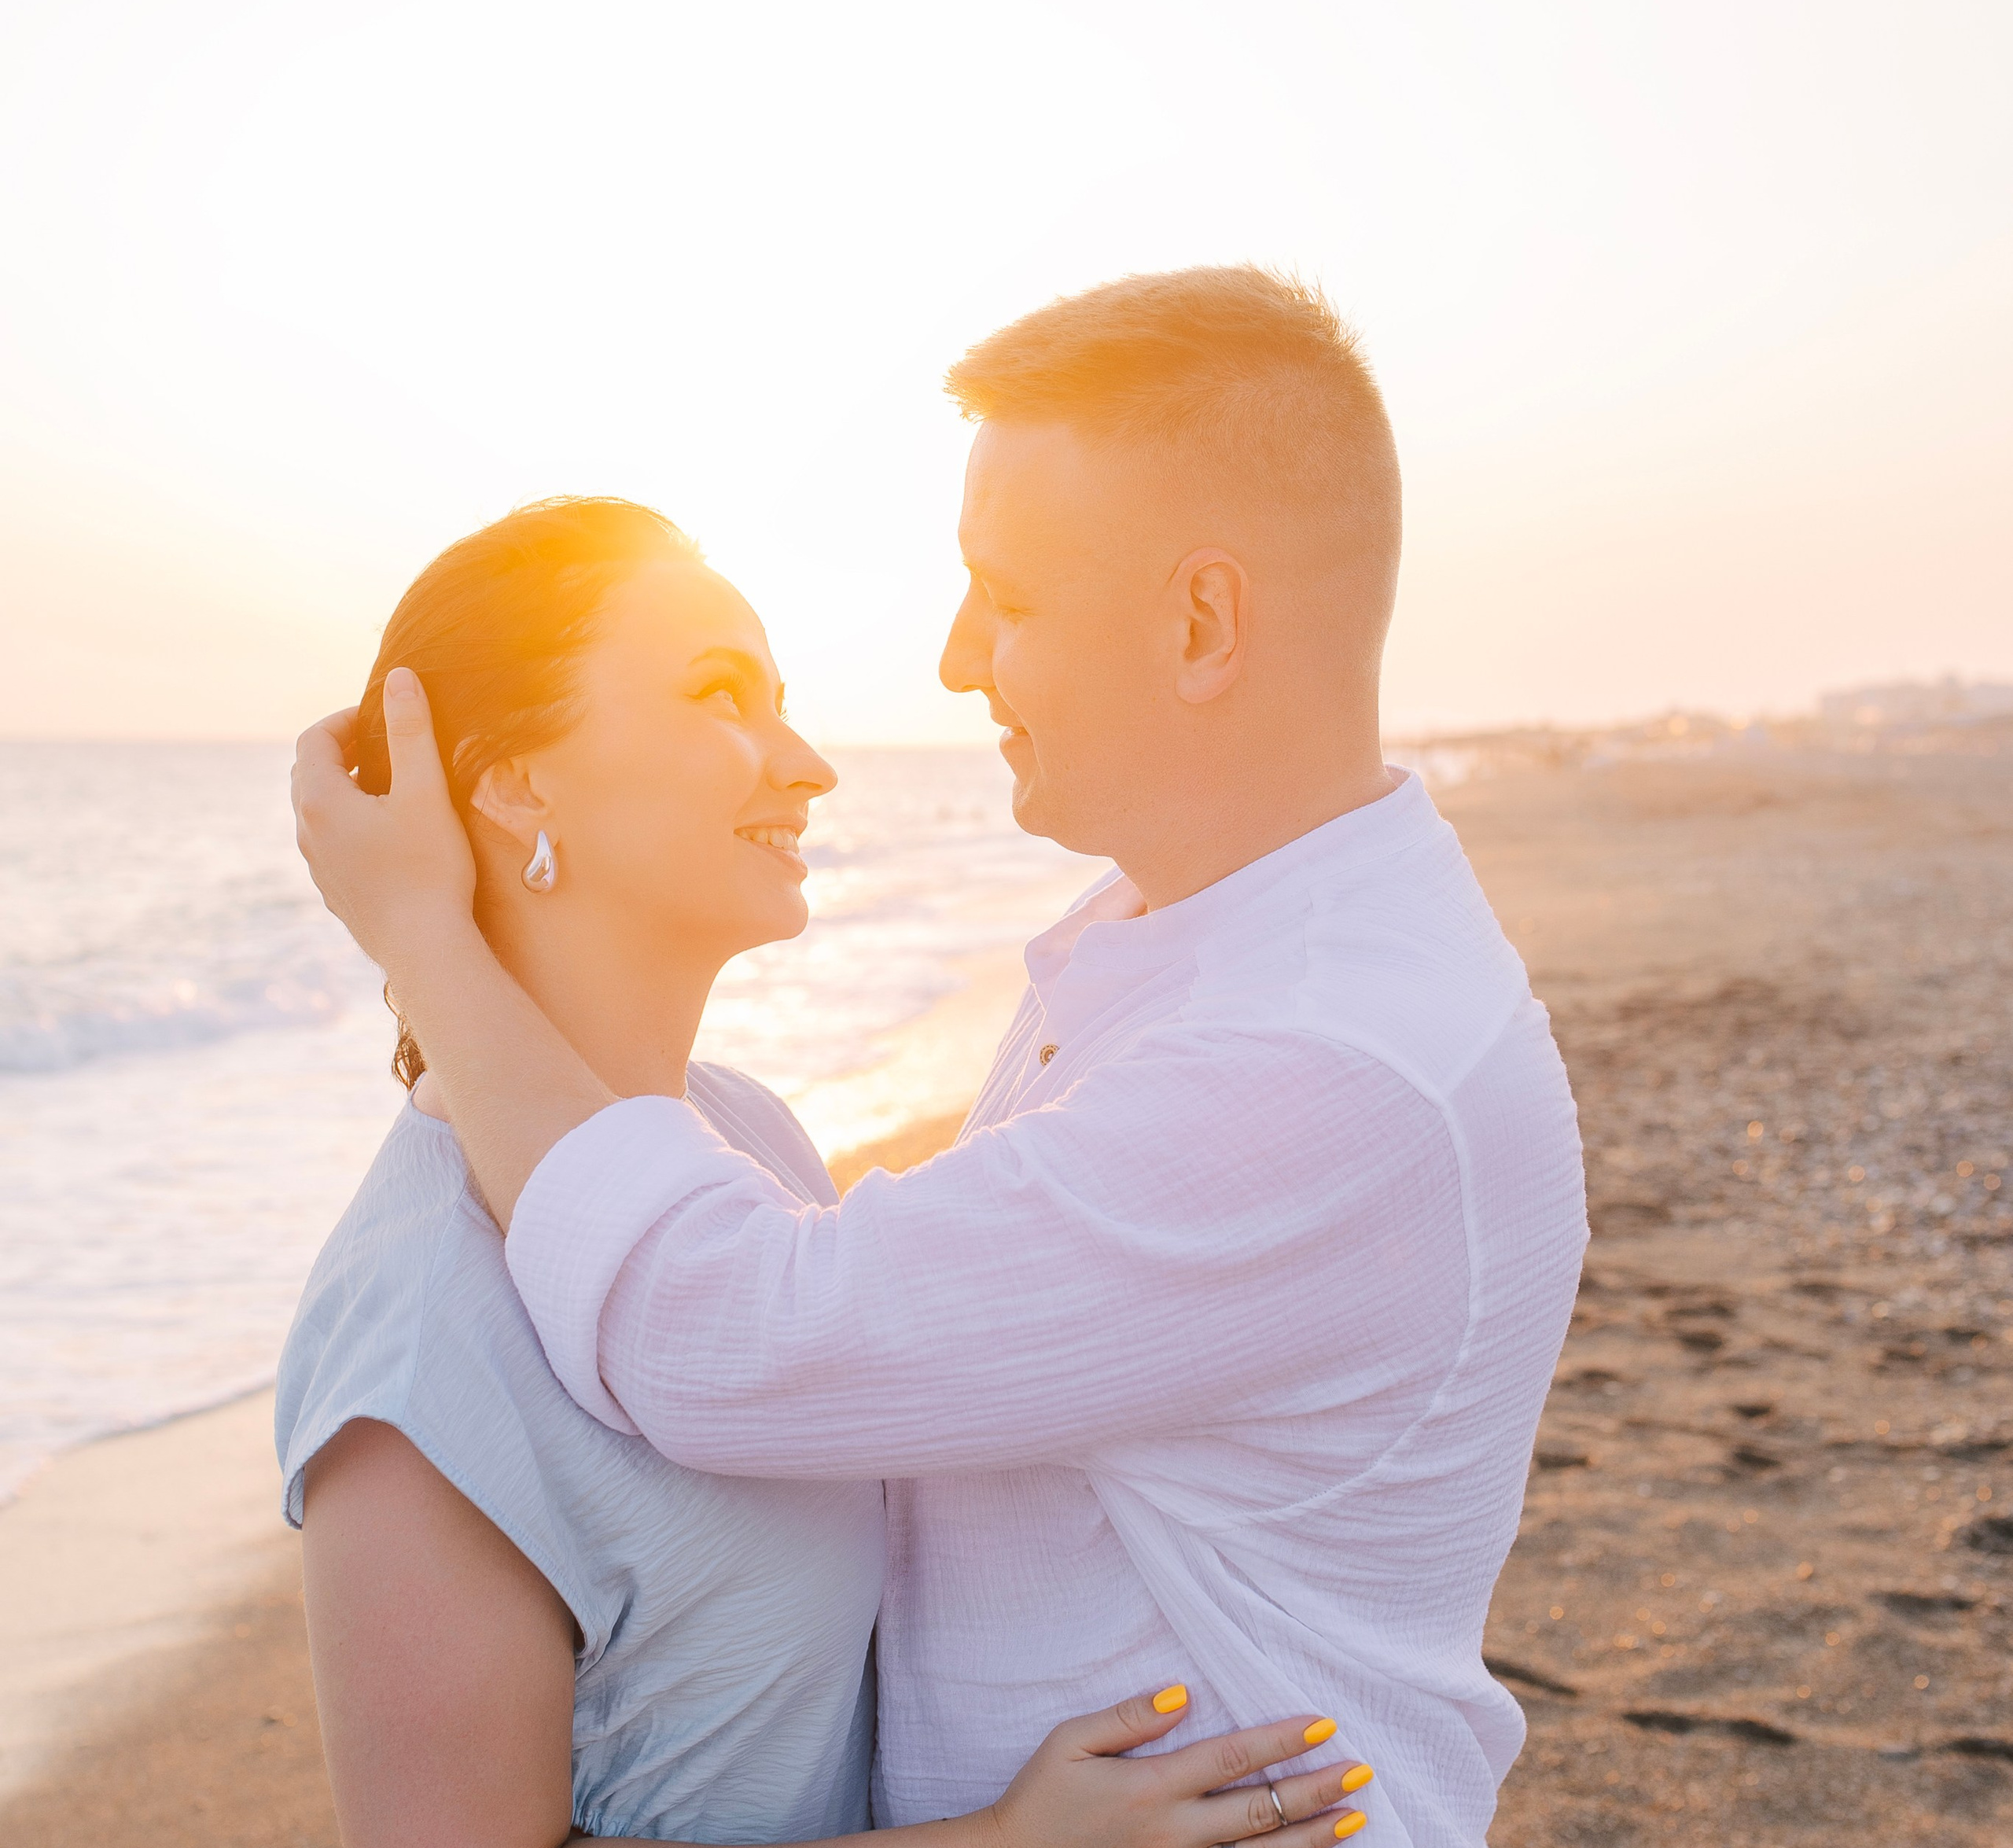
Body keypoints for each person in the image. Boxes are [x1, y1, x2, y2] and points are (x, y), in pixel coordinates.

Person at [293, 268, 1588, 1848]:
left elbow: (731, 1334)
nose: (954, 658)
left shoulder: (1316, 1058)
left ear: (1198, 621)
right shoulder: (1163, 948)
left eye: (1008, 593)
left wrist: (426, 937)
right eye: (721, 695)